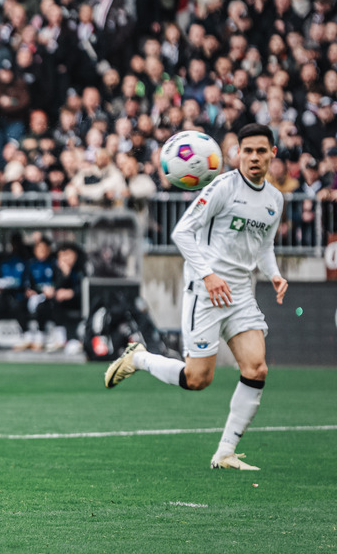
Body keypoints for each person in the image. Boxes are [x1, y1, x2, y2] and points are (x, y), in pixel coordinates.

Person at [104, 124, 288, 471]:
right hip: (205, 291)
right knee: (198, 379)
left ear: (272, 154)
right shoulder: (222, 186)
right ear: (237, 154)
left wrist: (274, 273)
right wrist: (208, 274)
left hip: (240, 294)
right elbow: (181, 233)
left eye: (261, 151)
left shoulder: (274, 199)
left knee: (256, 368)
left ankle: (225, 452)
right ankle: (140, 358)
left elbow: (264, 246)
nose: (253, 157)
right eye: (247, 151)